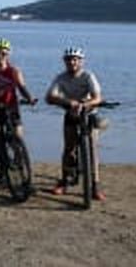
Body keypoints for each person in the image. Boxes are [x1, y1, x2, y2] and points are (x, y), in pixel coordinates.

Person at [46, 46, 106, 201]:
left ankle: (95, 185)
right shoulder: (61, 78)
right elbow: (49, 96)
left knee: (92, 149)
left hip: (89, 114)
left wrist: (85, 104)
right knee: (69, 149)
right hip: (71, 114)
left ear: (81, 61)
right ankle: (64, 181)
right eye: (69, 60)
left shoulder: (88, 76)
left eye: (75, 59)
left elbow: (98, 97)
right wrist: (69, 102)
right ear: (64, 62)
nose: (72, 62)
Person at [0, 38, 37, 188]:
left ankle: (20, 168)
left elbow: (22, 87)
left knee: (18, 138)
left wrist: (29, 98)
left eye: (3, 53)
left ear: (8, 54)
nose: (0, 55)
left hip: (11, 108)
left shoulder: (14, 71)